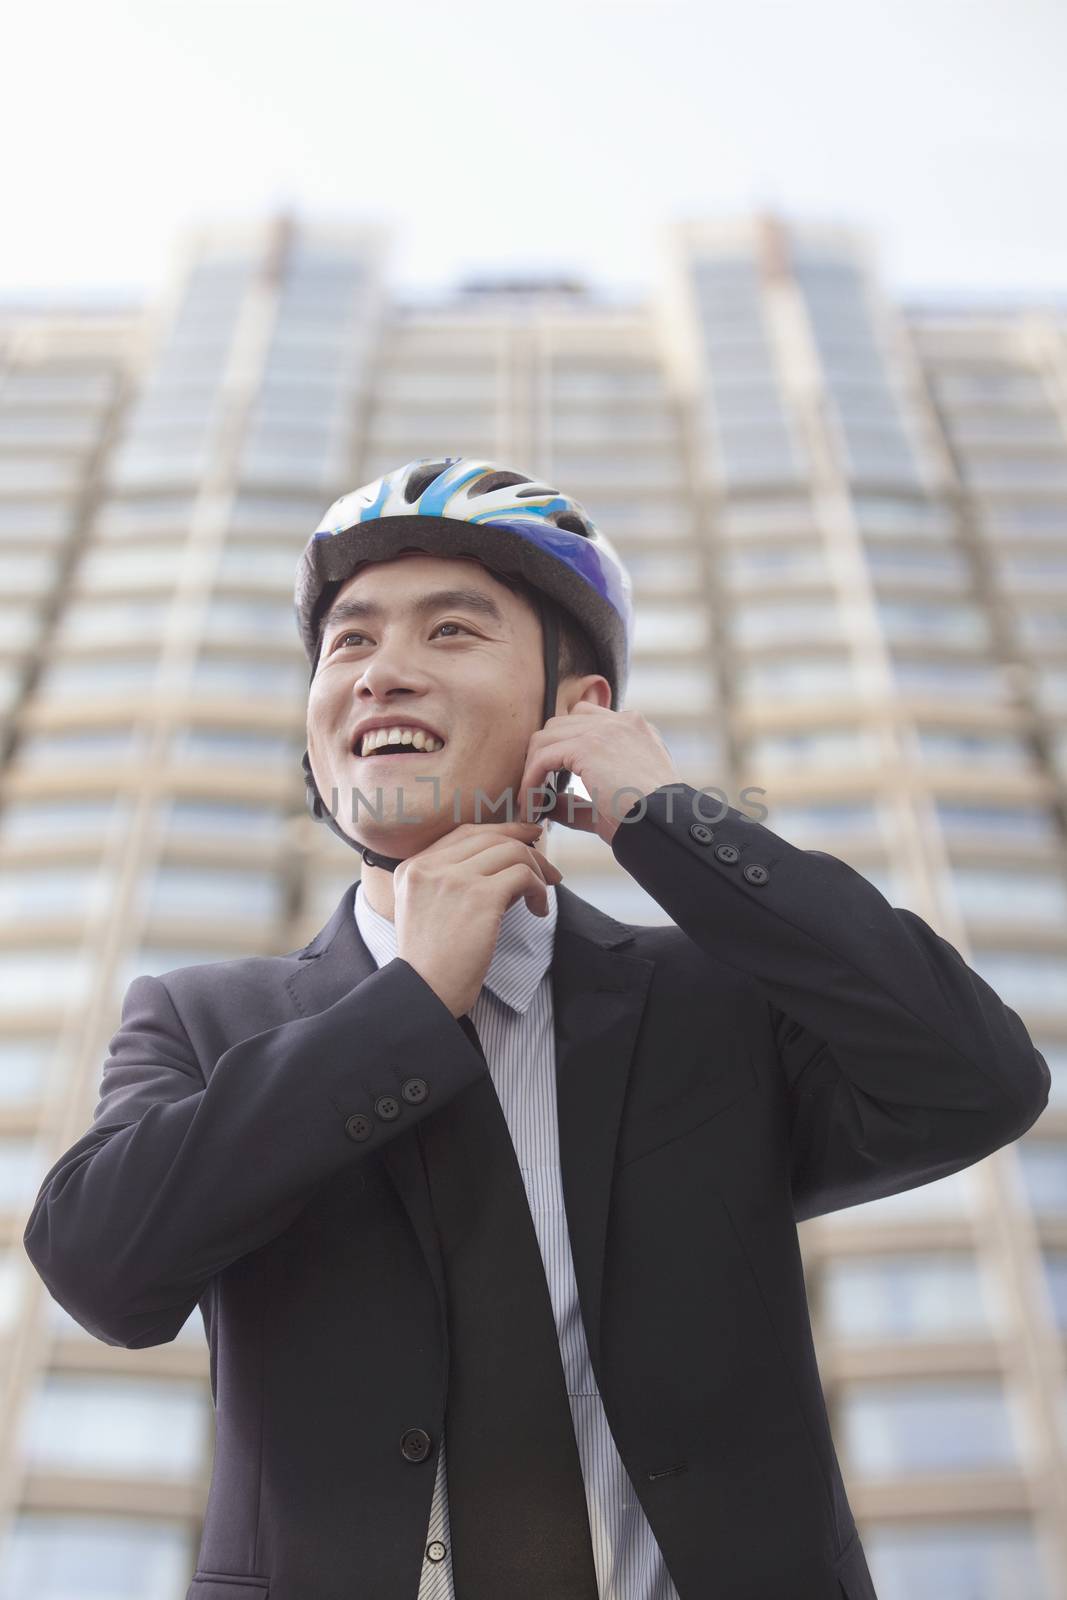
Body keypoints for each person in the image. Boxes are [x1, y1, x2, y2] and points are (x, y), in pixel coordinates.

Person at [23, 457, 1050, 1600]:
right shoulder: (202, 1018)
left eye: (451, 630)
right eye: (349, 642)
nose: (382, 674)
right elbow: (100, 1267)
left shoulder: (712, 1005)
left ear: (578, 711)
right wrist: (405, 1004)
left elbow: (977, 1077)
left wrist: (664, 820)